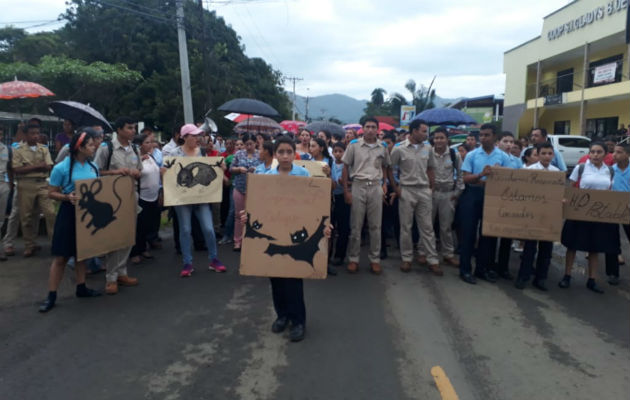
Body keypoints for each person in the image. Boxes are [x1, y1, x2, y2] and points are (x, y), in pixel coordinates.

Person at [241, 135, 332, 342]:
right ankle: (282, 315)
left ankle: (298, 321)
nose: (284, 156)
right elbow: (258, 208)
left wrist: (324, 225)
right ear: (275, 155)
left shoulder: (304, 174)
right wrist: (247, 216)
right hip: (274, 234)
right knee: (276, 278)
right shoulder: (266, 177)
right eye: (280, 152)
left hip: (297, 236)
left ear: (294, 154)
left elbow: (314, 205)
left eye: (288, 152)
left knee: (293, 278)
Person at [38, 129, 103, 312]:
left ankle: (81, 287)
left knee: (82, 253)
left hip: (87, 213)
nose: (93, 147)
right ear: (79, 147)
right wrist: (66, 197)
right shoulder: (62, 168)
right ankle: (51, 295)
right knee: (61, 256)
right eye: (90, 144)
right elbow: (51, 192)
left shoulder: (93, 167)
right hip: (68, 213)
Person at [167, 124, 225, 277]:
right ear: (184, 137)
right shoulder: (174, 153)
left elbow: (210, 171)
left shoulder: (203, 153)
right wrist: (164, 171)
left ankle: (214, 259)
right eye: (193, 135)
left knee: (208, 229)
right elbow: (168, 174)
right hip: (182, 199)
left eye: (198, 135)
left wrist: (221, 168)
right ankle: (187, 263)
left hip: (201, 198)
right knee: (185, 229)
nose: (197, 138)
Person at [559, 142, 618, 293]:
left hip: (598, 215)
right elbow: (571, 189)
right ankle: (567, 276)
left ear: (605, 154)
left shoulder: (610, 171)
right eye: (592, 152)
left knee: (595, 248)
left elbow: (610, 192)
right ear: (589, 153)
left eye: (599, 152)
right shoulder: (581, 168)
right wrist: (567, 201)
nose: (595, 155)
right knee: (572, 245)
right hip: (580, 212)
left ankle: (591, 280)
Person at [93, 116, 142, 295]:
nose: (133, 131)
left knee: (128, 235)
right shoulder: (107, 148)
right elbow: (95, 171)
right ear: (119, 129)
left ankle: (122, 272)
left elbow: (141, 170)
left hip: (131, 194)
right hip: (111, 197)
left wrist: (136, 172)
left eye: (134, 128)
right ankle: (111, 277)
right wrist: (114, 172)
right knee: (114, 237)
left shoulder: (135, 148)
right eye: (129, 128)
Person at [458, 123, 511, 284]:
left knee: (487, 235)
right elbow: (465, 178)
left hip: (493, 196)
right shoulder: (472, 155)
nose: (483, 138)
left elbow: (508, 180)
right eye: (481, 135)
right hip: (473, 194)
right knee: (468, 234)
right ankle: (465, 270)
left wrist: (497, 174)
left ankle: (481, 269)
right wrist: (482, 174)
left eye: (486, 135)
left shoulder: (503, 157)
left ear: (495, 136)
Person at [390, 119, 441, 274]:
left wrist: (432, 186)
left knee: (427, 227)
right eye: (424, 131)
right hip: (406, 190)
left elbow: (431, 168)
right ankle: (406, 258)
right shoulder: (399, 149)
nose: (426, 134)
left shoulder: (428, 148)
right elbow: (389, 169)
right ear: (413, 131)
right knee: (406, 227)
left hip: (424, 191)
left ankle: (432, 259)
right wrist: (396, 188)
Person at [342, 117, 391, 274]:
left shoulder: (382, 147)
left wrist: (384, 184)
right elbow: (345, 167)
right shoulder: (354, 145)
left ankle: (374, 259)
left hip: (375, 187)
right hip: (358, 185)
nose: (370, 129)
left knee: (375, 226)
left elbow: (385, 166)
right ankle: (354, 258)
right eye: (367, 126)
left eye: (373, 127)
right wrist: (346, 191)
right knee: (356, 225)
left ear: (377, 129)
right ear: (362, 129)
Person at [514, 142, 560, 291]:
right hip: (532, 214)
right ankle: (523, 276)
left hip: (549, 215)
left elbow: (559, 194)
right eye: (543, 153)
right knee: (529, 247)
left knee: (546, 249)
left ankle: (541, 278)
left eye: (549, 153)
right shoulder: (529, 170)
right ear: (538, 155)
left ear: (553, 155)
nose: (547, 156)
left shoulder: (556, 172)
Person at [12, 124, 56, 257]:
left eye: (37, 133)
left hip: (42, 183)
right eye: (32, 133)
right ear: (25, 135)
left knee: (51, 212)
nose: (36, 136)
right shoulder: (18, 149)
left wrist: (28, 167)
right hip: (25, 185)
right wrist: (38, 166)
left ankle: (55, 242)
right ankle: (29, 245)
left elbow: (48, 166)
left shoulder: (43, 148)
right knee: (26, 216)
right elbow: (16, 169)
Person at [426, 127, 463, 267]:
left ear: (447, 139)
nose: (439, 140)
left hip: (448, 194)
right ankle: (425, 252)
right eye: (436, 138)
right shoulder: (428, 153)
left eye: (442, 137)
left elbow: (461, 175)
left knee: (446, 227)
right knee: (427, 225)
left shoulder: (454, 155)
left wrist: (457, 193)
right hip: (431, 193)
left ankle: (448, 254)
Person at [492, 131, 523, 279]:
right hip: (495, 198)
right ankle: (489, 264)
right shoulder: (495, 156)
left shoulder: (516, 161)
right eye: (506, 141)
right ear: (498, 143)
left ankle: (503, 267)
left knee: (506, 236)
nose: (509, 144)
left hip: (511, 199)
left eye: (511, 142)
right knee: (491, 234)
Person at [129, 133, 161, 264]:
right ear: (140, 145)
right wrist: (139, 161)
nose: (151, 145)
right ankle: (134, 252)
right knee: (138, 226)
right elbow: (132, 174)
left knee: (147, 224)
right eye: (147, 142)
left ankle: (143, 248)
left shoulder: (152, 156)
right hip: (141, 196)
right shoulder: (134, 158)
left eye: (151, 142)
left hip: (153, 195)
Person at [230, 133, 261, 251]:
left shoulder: (260, 155)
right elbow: (231, 168)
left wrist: (256, 170)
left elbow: (265, 168)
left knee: (253, 215)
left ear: (255, 143)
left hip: (255, 189)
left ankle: (252, 239)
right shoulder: (238, 154)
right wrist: (239, 169)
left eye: (251, 144)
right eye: (246, 144)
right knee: (238, 215)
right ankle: (237, 240)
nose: (248, 146)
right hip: (239, 187)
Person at [606, 144, 629, 285]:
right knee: (611, 242)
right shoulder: (610, 171)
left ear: (627, 154)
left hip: (628, 209)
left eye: (619, 152)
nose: (614, 155)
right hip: (611, 210)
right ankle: (613, 273)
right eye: (614, 152)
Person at [330, 142, 349, 266]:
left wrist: (346, 183)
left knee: (343, 228)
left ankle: (340, 255)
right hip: (332, 197)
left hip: (344, 197)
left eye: (340, 151)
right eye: (335, 151)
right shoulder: (330, 164)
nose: (338, 153)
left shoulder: (348, 166)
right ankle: (328, 254)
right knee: (330, 227)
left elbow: (353, 181)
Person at [0, 133, 13, 261]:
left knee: (1, 219)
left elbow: (9, 167)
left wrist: (10, 183)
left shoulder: (6, 149)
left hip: (3, 183)